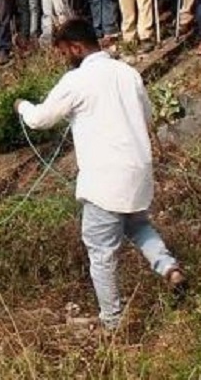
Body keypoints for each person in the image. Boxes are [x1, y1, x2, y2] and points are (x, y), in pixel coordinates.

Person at [15, 18, 184, 330]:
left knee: (101, 252)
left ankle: (113, 323)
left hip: (104, 179)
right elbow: (146, 115)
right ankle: (169, 268)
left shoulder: (76, 80)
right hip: (138, 171)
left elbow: (41, 119)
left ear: (77, 48)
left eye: (65, 52)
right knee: (137, 225)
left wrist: (23, 106)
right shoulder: (128, 72)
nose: (65, 58)